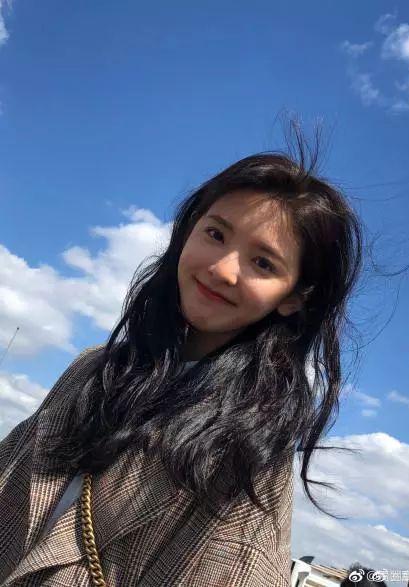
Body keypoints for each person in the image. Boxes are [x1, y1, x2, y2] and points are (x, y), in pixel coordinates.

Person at [0, 124, 364, 586]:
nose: (222, 269)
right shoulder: (92, 368)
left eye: (263, 263)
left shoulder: (248, 450)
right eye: (215, 233)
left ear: (293, 298)